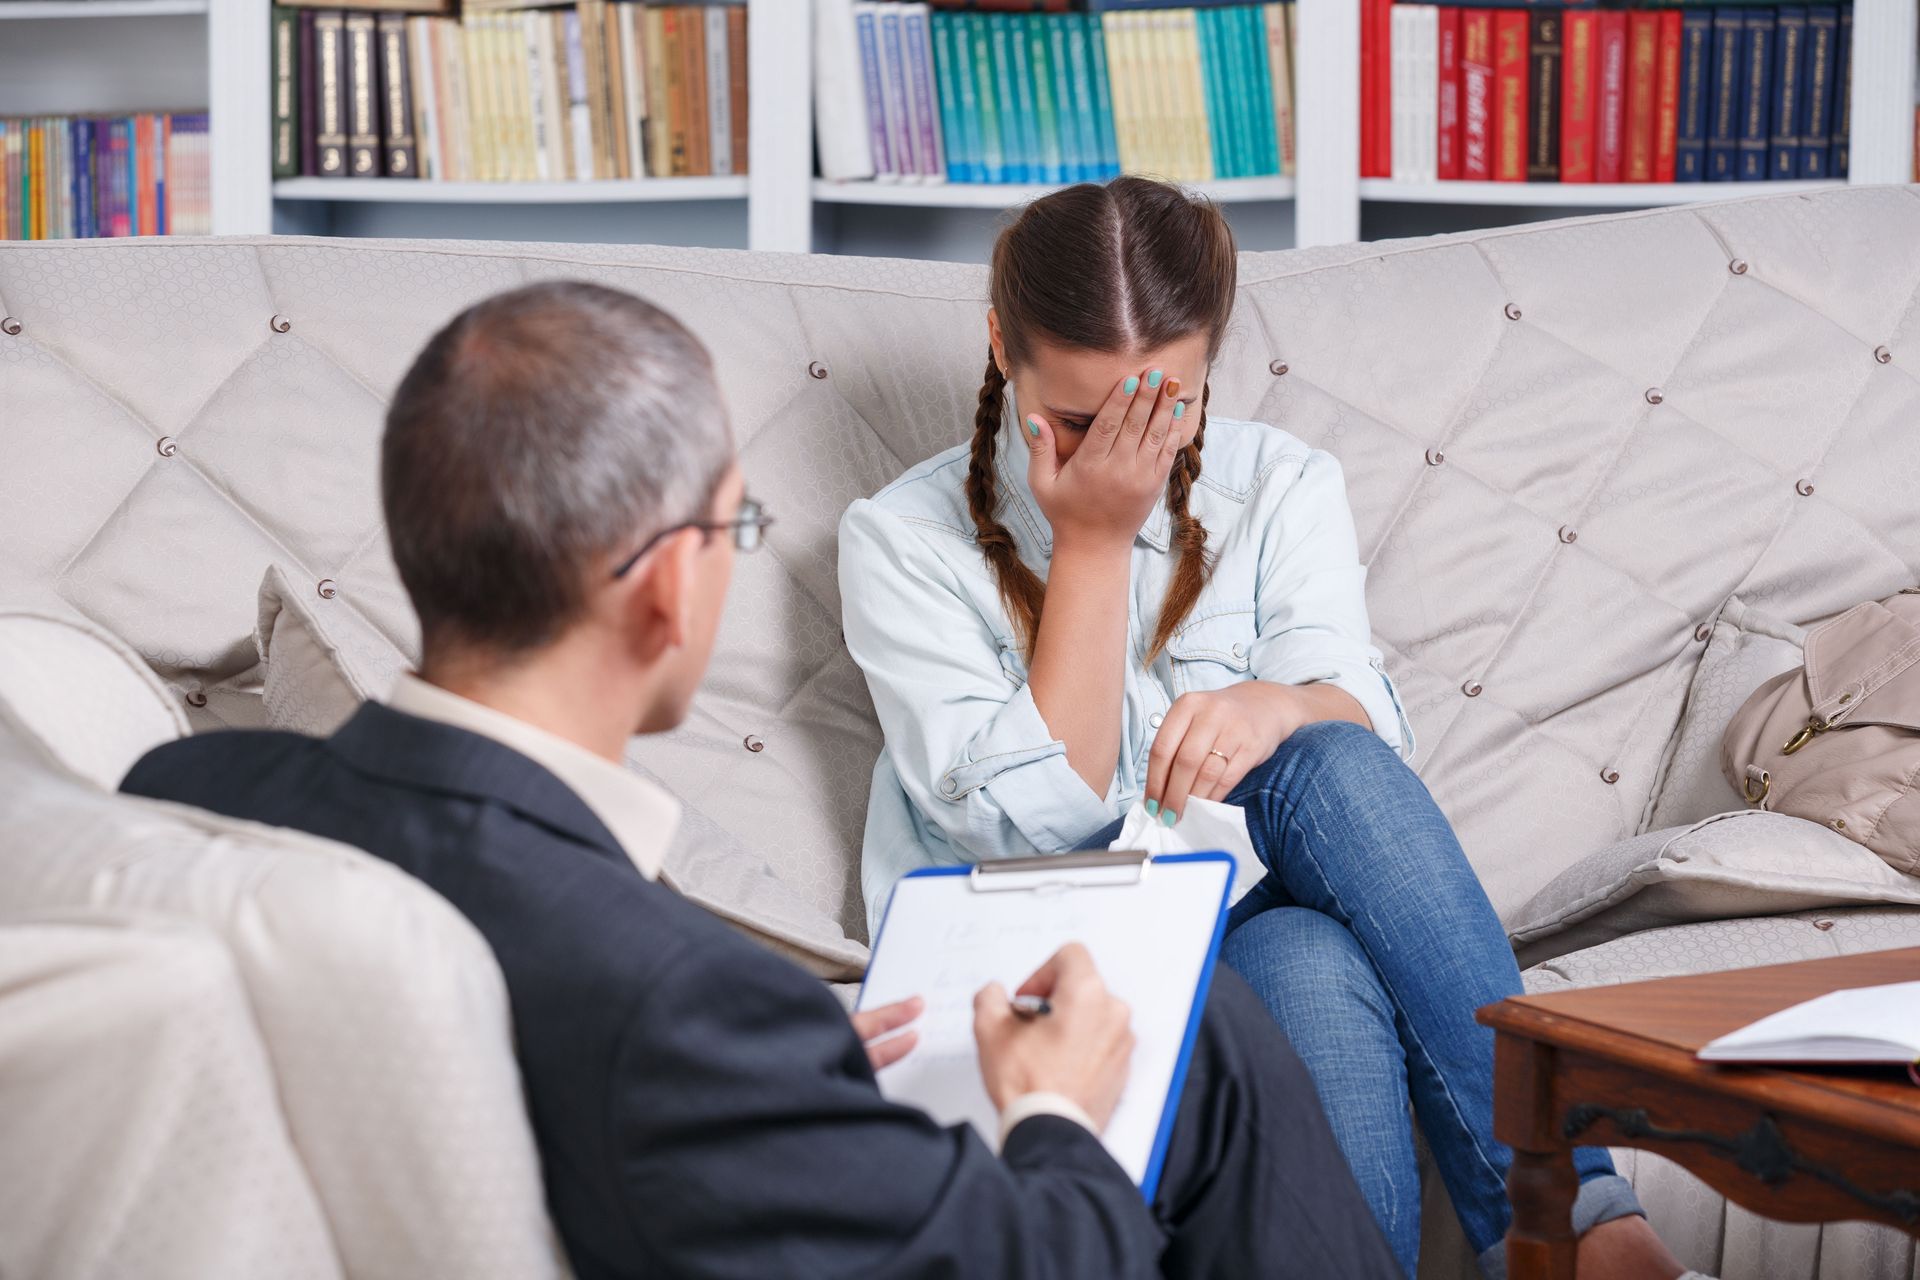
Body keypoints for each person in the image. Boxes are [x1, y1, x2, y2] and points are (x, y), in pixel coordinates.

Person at [121, 281, 1402, 1280]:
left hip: (670, 1146)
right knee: (1207, 1037)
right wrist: (1052, 1106)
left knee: (1220, 1026)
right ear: (671, 582)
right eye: (732, 528)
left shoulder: (195, 787)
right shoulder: (680, 1000)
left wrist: (774, 1082)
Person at [838, 178, 1690, 1280]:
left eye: (1168, 406)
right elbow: (1026, 833)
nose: (1131, 453)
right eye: (1090, 422)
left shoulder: (1276, 481)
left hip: (1251, 917)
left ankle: (1578, 1232)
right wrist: (1092, 543)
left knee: (1312, 901)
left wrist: (1273, 703)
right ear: (1002, 343)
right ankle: (1585, 1234)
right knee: (1298, 896)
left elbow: (1364, 729)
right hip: (1045, 957)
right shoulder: (902, 541)